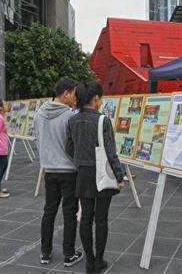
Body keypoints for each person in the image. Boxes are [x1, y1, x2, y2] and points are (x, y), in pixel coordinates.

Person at [66, 81, 125, 273]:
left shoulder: (72, 120)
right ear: (96, 98)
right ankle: (99, 260)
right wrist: (119, 175)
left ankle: (89, 261)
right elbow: (111, 152)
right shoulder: (103, 120)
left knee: (85, 219)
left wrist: (80, 159)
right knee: (101, 219)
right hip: (101, 175)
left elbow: (69, 148)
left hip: (82, 174)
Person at [34, 77, 83, 267]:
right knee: (69, 213)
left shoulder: (39, 114)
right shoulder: (70, 117)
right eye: (74, 94)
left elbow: (37, 140)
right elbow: (73, 146)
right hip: (69, 171)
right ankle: (69, 254)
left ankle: (45, 253)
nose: (76, 99)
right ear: (66, 94)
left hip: (49, 170)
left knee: (49, 211)